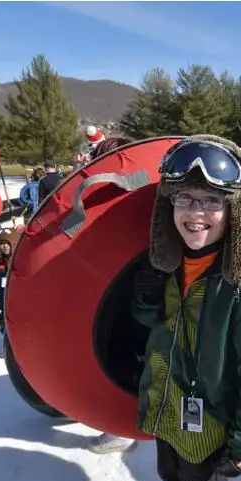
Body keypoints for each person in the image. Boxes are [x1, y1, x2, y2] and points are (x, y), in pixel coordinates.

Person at [129, 135, 241, 481]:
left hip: (209, 432)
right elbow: (154, 327)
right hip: (167, 418)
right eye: (185, 199)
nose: (196, 214)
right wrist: (146, 292)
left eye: (212, 202)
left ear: (233, 213)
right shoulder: (170, 266)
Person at [85, 135, 142, 455]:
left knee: (119, 349)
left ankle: (122, 425)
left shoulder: (110, 188)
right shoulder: (140, 180)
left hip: (124, 287)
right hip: (128, 283)